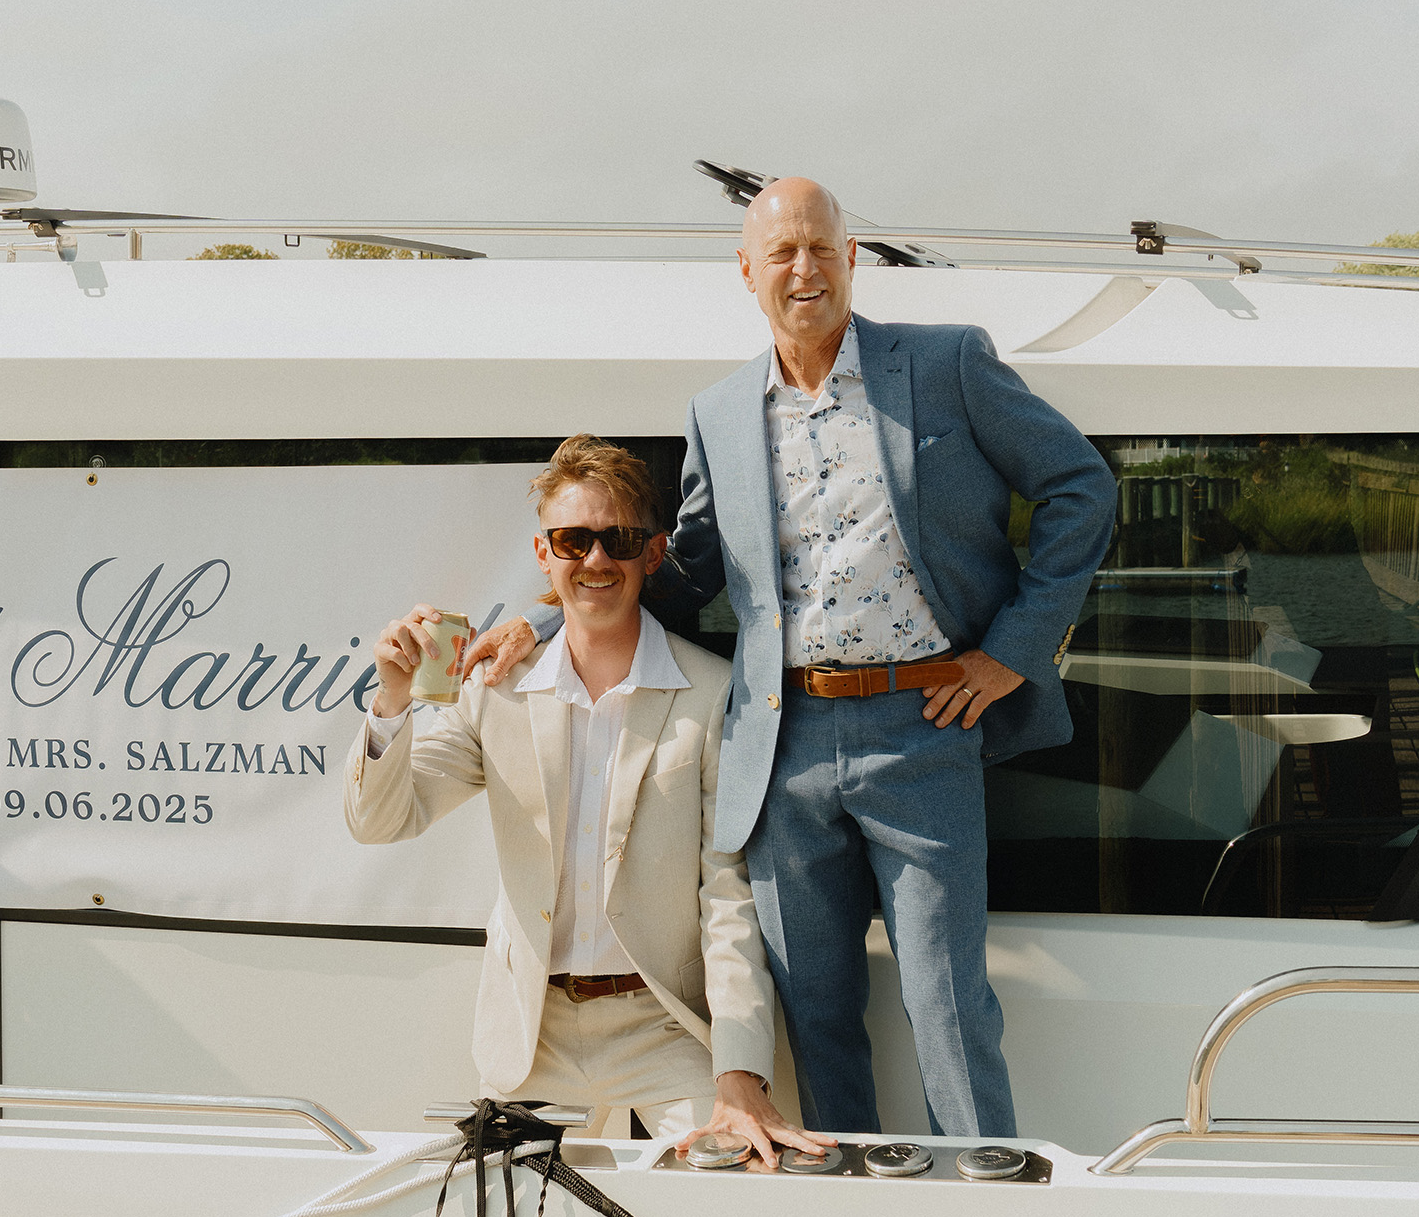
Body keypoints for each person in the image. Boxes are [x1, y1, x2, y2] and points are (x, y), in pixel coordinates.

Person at [461, 180, 1115, 1138]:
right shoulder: (718, 413)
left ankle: (982, 1200)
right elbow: (676, 573)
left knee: (943, 998)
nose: (801, 269)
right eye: (780, 253)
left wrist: (1009, 653)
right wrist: (549, 624)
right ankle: (844, 1201)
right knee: (811, 1006)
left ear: (851, 258)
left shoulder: (946, 364)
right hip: (780, 742)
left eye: (819, 248)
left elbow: (1078, 488)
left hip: (925, 726)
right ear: (746, 272)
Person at [347, 437, 827, 1166]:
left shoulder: (710, 694)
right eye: (573, 540)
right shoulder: (493, 692)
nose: (595, 561)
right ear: (544, 554)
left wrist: (738, 1072)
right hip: (532, 1033)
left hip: (664, 1027)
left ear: (652, 553)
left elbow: (727, 896)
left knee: (736, 1183)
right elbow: (381, 820)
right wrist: (390, 698)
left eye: (617, 540)